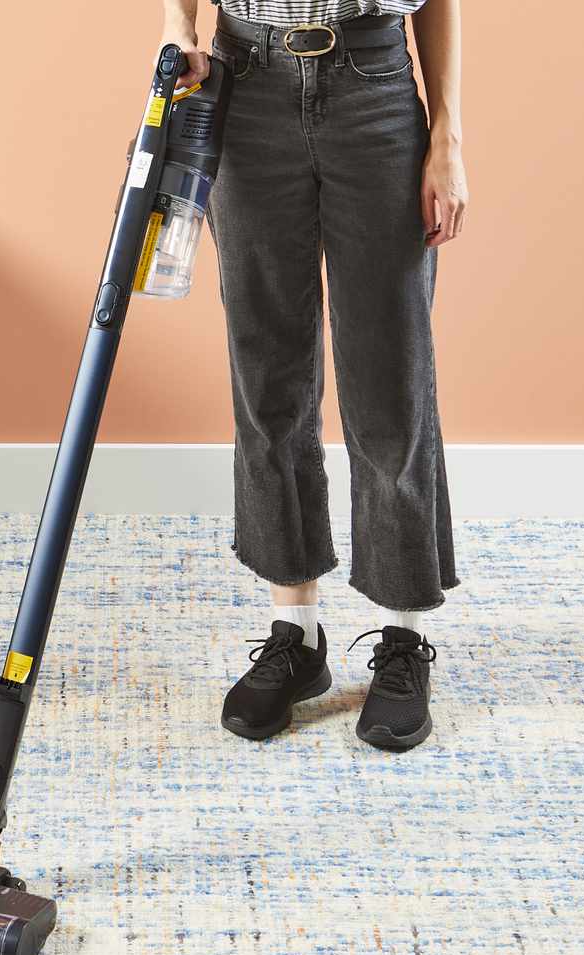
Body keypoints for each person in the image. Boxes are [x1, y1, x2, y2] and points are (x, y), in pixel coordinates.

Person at [160, 0, 467, 749]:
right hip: (243, 84)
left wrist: (447, 134)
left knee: (390, 378)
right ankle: (294, 637)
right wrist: (178, 28)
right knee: (268, 377)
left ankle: (402, 641)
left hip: (375, 85)